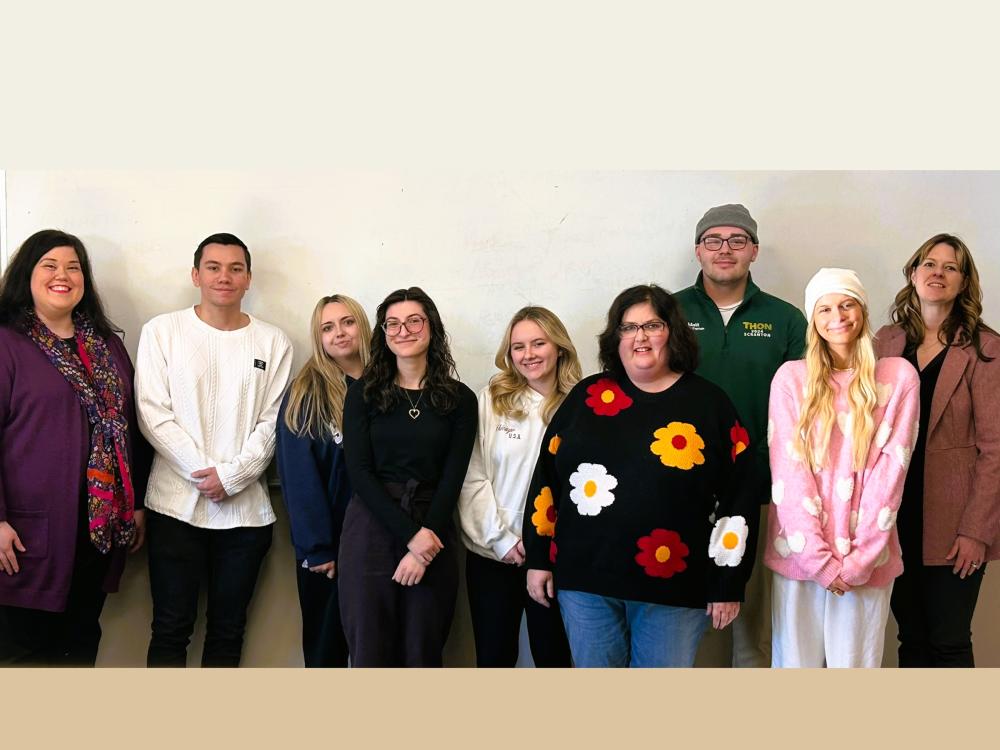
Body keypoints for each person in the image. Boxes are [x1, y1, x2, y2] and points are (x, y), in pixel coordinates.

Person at [523, 284, 759, 668]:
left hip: (674, 587)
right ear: (615, 338)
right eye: (628, 327)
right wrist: (538, 557)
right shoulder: (585, 398)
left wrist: (728, 583)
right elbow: (547, 482)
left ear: (673, 333)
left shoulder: (710, 404)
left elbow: (739, 500)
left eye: (652, 325)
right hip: (586, 582)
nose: (640, 337)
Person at [135, 232, 292, 667]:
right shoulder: (162, 332)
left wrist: (233, 476)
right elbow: (152, 413)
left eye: (235, 268)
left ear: (248, 279)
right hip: (174, 509)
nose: (224, 277)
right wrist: (205, 473)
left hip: (245, 516)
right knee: (170, 628)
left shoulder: (273, 342)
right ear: (195, 275)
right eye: (213, 267)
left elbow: (273, 422)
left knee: (228, 631)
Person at [0, 229, 150, 666]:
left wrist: (135, 502)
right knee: (27, 655)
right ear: (26, 275)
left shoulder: (107, 346)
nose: (62, 275)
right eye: (49, 265)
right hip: (27, 536)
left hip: (97, 532)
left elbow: (130, 429)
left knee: (81, 646)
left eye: (73, 267)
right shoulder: (8, 343)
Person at [765, 268, 919, 668]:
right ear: (813, 320)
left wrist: (857, 562)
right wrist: (818, 560)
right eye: (826, 308)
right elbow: (788, 475)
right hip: (798, 557)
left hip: (866, 563)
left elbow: (890, 475)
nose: (839, 316)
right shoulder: (790, 380)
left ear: (863, 311)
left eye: (847, 304)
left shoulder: (897, 377)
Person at [675, 203, 807, 668]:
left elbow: (806, 406)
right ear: (698, 251)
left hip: (768, 491)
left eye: (737, 240)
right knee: (693, 624)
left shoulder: (786, 319)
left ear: (754, 250)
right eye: (714, 240)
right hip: (682, 487)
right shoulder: (668, 312)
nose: (724, 249)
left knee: (754, 628)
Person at [875, 234, 1000, 667]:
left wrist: (977, 532)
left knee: (947, 639)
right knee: (910, 639)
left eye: (950, 267)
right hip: (891, 516)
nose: (938, 273)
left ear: (963, 282)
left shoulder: (986, 349)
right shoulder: (884, 343)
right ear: (913, 273)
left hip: (955, 522)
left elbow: (995, 450)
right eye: (929, 264)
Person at [340, 286, 477, 667]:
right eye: (393, 324)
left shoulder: (460, 399)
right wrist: (410, 536)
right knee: (370, 650)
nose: (404, 330)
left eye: (414, 321)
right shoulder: (363, 393)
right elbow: (359, 472)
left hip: (434, 528)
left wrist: (425, 541)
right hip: (371, 528)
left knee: (422, 651)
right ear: (383, 334)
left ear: (431, 327)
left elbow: (454, 475)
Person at [458, 306, 580, 667]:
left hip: (557, 558)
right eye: (518, 347)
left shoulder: (581, 404)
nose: (528, 355)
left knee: (553, 658)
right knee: (494, 659)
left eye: (538, 343)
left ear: (558, 347)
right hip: (493, 555)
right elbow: (472, 475)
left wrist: (545, 547)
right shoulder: (492, 398)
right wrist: (503, 540)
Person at [276, 294, 372, 667]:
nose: (339, 333)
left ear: (362, 326)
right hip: (329, 551)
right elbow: (298, 478)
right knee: (326, 652)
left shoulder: (388, 384)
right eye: (327, 328)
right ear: (318, 338)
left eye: (347, 322)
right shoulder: (306, 392)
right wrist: (317, 548)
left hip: (382, 545)